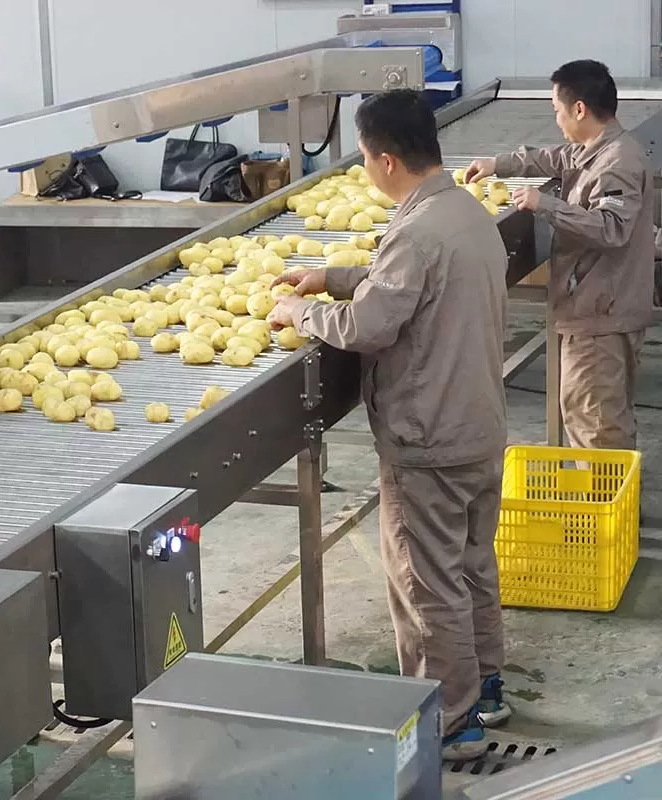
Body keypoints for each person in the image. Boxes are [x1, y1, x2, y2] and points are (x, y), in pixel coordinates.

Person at [267, 89, 510, 761]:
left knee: (426, 586)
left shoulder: (416, 230)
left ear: (383, 159)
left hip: (428, 438)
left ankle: (449, 725)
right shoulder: (462, 211)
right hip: (479, 424)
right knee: (470, 564)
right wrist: (333, 274)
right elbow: (412, 283)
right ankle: (486, 685)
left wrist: (299, 311)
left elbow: (371, 326)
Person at [466, 60, 655, 454]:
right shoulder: (598, 150)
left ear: (580, 109)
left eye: (557, 109)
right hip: (597, 307)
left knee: (597, 427)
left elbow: (611, 228)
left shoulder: (616, 163)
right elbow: (556, 158)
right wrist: (498, 164)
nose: (556, 119)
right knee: (599, 417)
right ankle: (605, 506)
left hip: (600, 314)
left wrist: (545, 205)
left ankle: (604, 511)